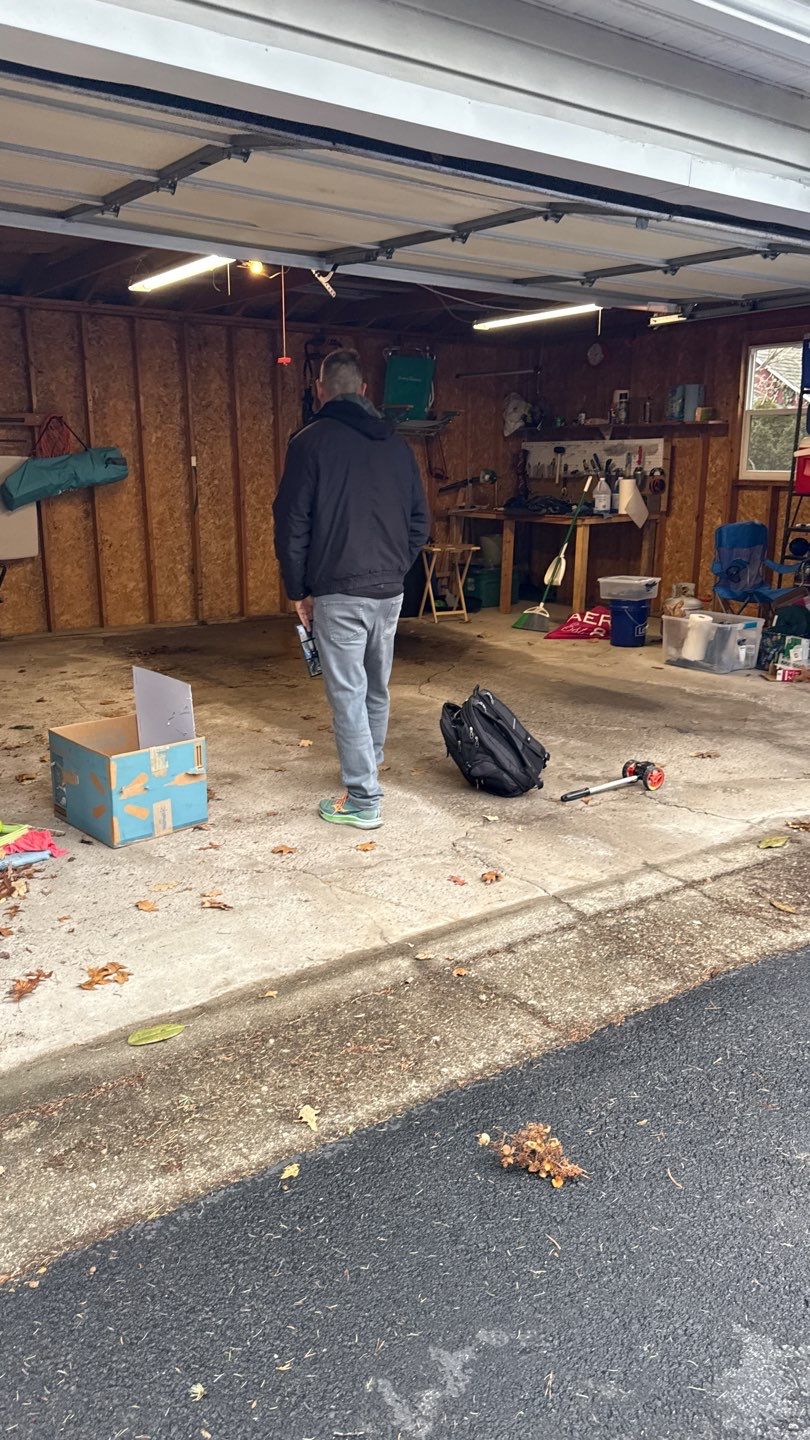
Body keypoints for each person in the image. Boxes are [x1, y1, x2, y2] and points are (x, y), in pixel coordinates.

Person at [273, 348, 430, 829]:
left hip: (338, 592)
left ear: (321, 391)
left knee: (347, 694)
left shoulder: (308, 443)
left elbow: (291, 523)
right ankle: (370, 764)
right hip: (389, 591)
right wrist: (392, 567)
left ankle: (363, 801)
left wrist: (298, 589)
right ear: (365, 390)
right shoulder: (397, 446)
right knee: (374, 687)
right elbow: (420, 522)